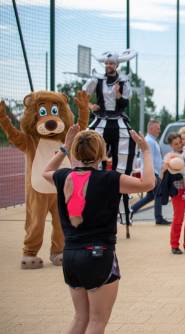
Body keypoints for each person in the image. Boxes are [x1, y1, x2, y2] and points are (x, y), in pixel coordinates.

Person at [42, 126, 155, 333]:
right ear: (102, 154)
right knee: (97, 321)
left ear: (76, 152)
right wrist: (146, 151)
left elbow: (45, 172)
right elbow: (148, 183)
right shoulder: (110, 179)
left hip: (71, 256)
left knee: (80, 318)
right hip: (98, 256)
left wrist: (65, 148)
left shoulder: (63, 176)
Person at [84, 50, 138, 227]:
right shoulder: (96, 79)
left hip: (118, 123)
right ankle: (92, 210)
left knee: (121, 170)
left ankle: (123, 214)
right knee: (89, 155)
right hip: (100, 121)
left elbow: (124, 104)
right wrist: (91, 105)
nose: (109, 66)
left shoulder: (123, 81)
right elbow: (82, 96)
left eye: (112, 63)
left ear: (117, 65)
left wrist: (117, 96)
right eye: (106, 63)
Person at [130, 120, 170, 225]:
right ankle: (159, 218)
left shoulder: (151, 141)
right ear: (151, 128)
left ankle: (130, 210)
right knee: (159, 194)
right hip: (152, 172)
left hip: (153, 172)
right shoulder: (150, 141)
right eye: (157, 128)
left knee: (151, 196)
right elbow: (149, 158)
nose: (159, 131)